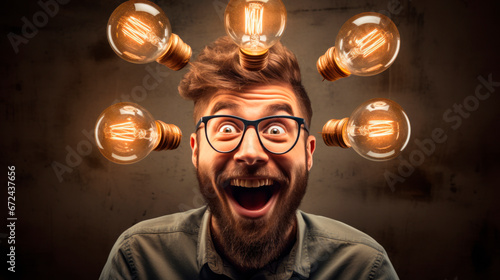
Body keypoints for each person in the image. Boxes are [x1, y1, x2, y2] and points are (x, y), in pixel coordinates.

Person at [100, 36, 399, 280]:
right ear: (196, 150)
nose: (251, 153)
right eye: (228, 128)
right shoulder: (138, 261)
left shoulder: (363, 269)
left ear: (308, 153)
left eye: (276, 128)